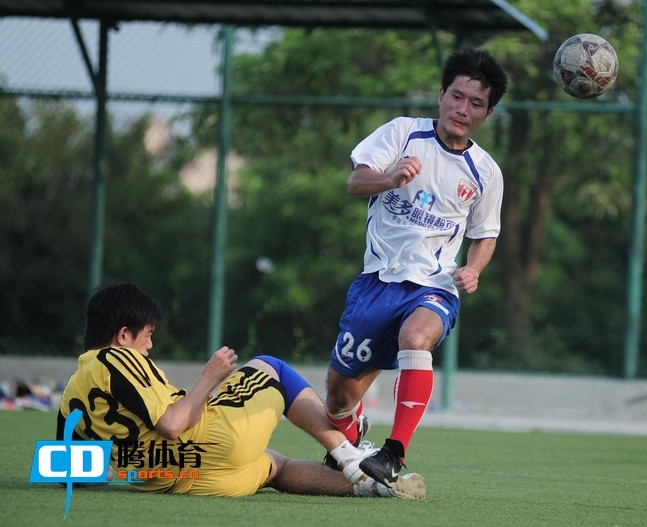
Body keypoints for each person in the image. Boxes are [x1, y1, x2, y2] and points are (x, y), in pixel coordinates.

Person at [324, 48, 508, 485]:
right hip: (377, 283)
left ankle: (394, 452)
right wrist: (390, 178)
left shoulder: (486, 172)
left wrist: (474, 269)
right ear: (441, 95)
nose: (463, 109)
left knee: (416, 337)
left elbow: (486, 234)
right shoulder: (403, 133)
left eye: (476, 103)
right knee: (338, 397)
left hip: (433, 286)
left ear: (487, 113)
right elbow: (355, 181)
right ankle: (352, 433)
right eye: (457, 96)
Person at [57, 283, 425, 499]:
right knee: (271, 367)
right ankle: (348, 455)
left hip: (181, 481)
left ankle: (371, 487)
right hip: (209, 441)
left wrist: (118, 470)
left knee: (277, 466)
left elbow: (65, 469)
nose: (149, 346)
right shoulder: (115, 357)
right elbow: (171, 424)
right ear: (124, 335)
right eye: (148, 335)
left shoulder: (72, 390)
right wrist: (210, 376)